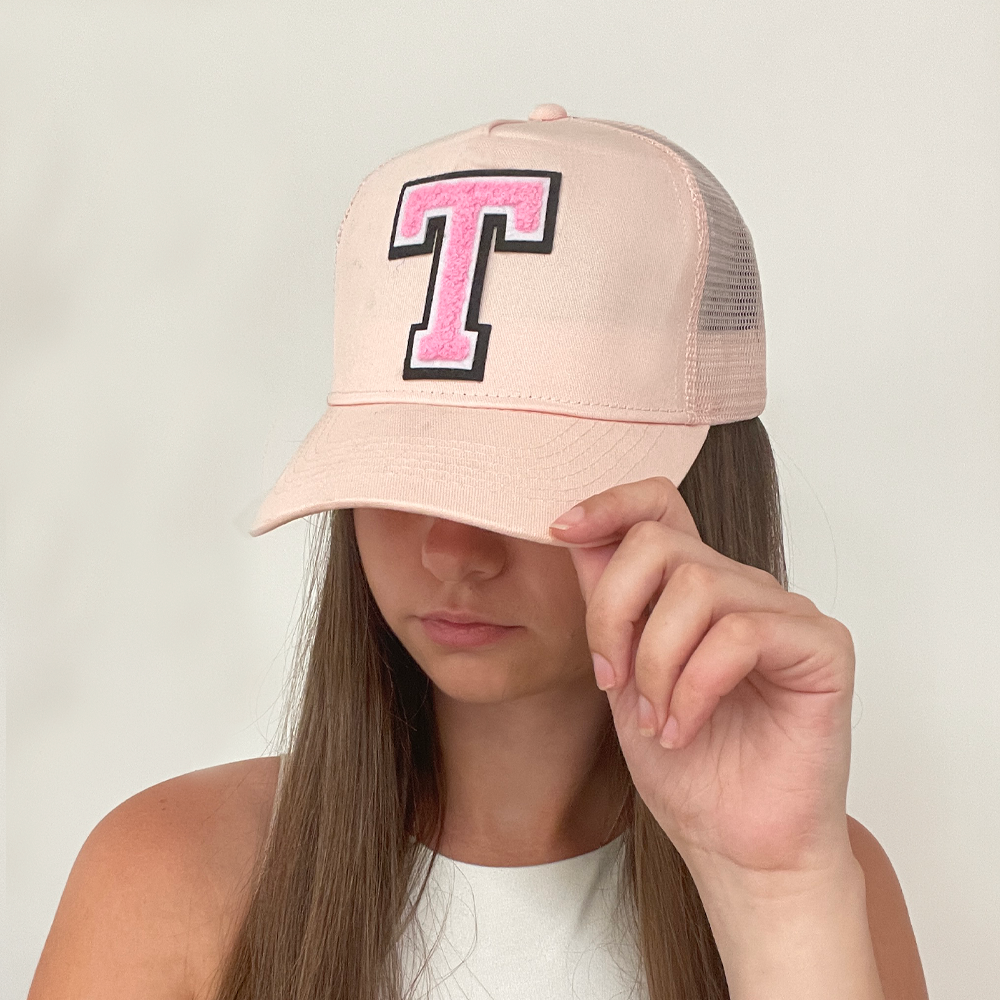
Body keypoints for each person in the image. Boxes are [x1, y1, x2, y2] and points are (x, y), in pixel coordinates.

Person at [27, 104, 929, 1000]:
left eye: (535, 485)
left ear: (698, 489)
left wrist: (776, 901)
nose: (453, 550)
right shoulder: (169, 878)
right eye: (405, 473)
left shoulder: (814, 877)